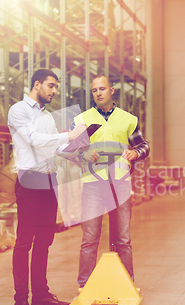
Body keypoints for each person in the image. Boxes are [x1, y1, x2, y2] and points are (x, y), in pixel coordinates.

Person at [8, 69, 86, 305]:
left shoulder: (48, 116)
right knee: (24, 241)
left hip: (49, 181)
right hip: (30, 180)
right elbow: (32, 139)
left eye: (56, 88)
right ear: (37, 84)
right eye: (51, 86)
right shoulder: (18, 110)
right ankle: (21, 298)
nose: (54, 91)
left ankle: (40, 294)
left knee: (44, 240)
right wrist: (67, 135)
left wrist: (78, 146)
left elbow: (56, 146)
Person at [64, 75, 150, 288]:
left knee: (122, 239)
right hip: (93, 184)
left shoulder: (128, 119)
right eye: (94, 90)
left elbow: (144, 146)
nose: (99, 93)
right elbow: (70, 150)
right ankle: (84, 285)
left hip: (120, 184)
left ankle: (126, 284)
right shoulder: (82, 119)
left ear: (112, 90)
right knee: (90, 238)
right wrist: (83, 155)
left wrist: (135, 154)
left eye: (102, 89)